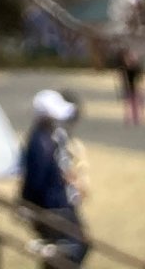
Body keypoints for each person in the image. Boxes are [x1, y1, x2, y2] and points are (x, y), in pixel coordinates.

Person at [21, 89, 90, 266]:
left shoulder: (47, 138)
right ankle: (52, 248)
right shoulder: (42, 142)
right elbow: (35, 182)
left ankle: (51, 248)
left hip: (59, 201)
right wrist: (29, 205)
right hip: (55, 205)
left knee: (76, 246)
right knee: (77, 246)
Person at [117, 47, 142, 128]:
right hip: (128, 88)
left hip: (134, 88)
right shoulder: (125, 69)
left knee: (135, 105)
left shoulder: (135, 69)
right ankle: (128, 119)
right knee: (128, 105)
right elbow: (122, 77)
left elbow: (138, 76)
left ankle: (135, 119)